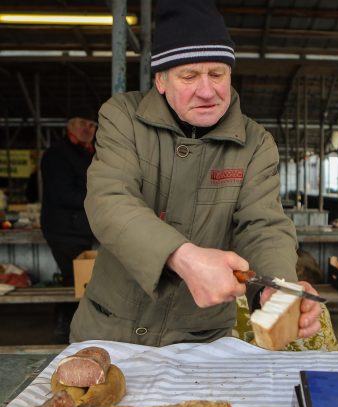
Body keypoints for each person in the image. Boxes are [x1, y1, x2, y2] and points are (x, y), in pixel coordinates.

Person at [70, 0, 321, 346]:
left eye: (217, 74)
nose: (207, 91)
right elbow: (109, 201)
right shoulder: (122, 117)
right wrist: (182, 257)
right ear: (160, 79)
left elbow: (263, 225)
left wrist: (277, 286)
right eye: (189, 76)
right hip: (111, 329)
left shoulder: (255, 143)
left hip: (197, 338)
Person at [40, 109, 97, 342]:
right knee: (71, 281)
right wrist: (102, 197)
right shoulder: (57, 154)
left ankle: (72, 327)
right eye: (82, 123)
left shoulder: (90, 153)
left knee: (78, 280)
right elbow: (65, 195)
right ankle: (63, 329)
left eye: (92, 125)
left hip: (81, 229)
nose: (87, 129)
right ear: (70, 126)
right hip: (64, 230)